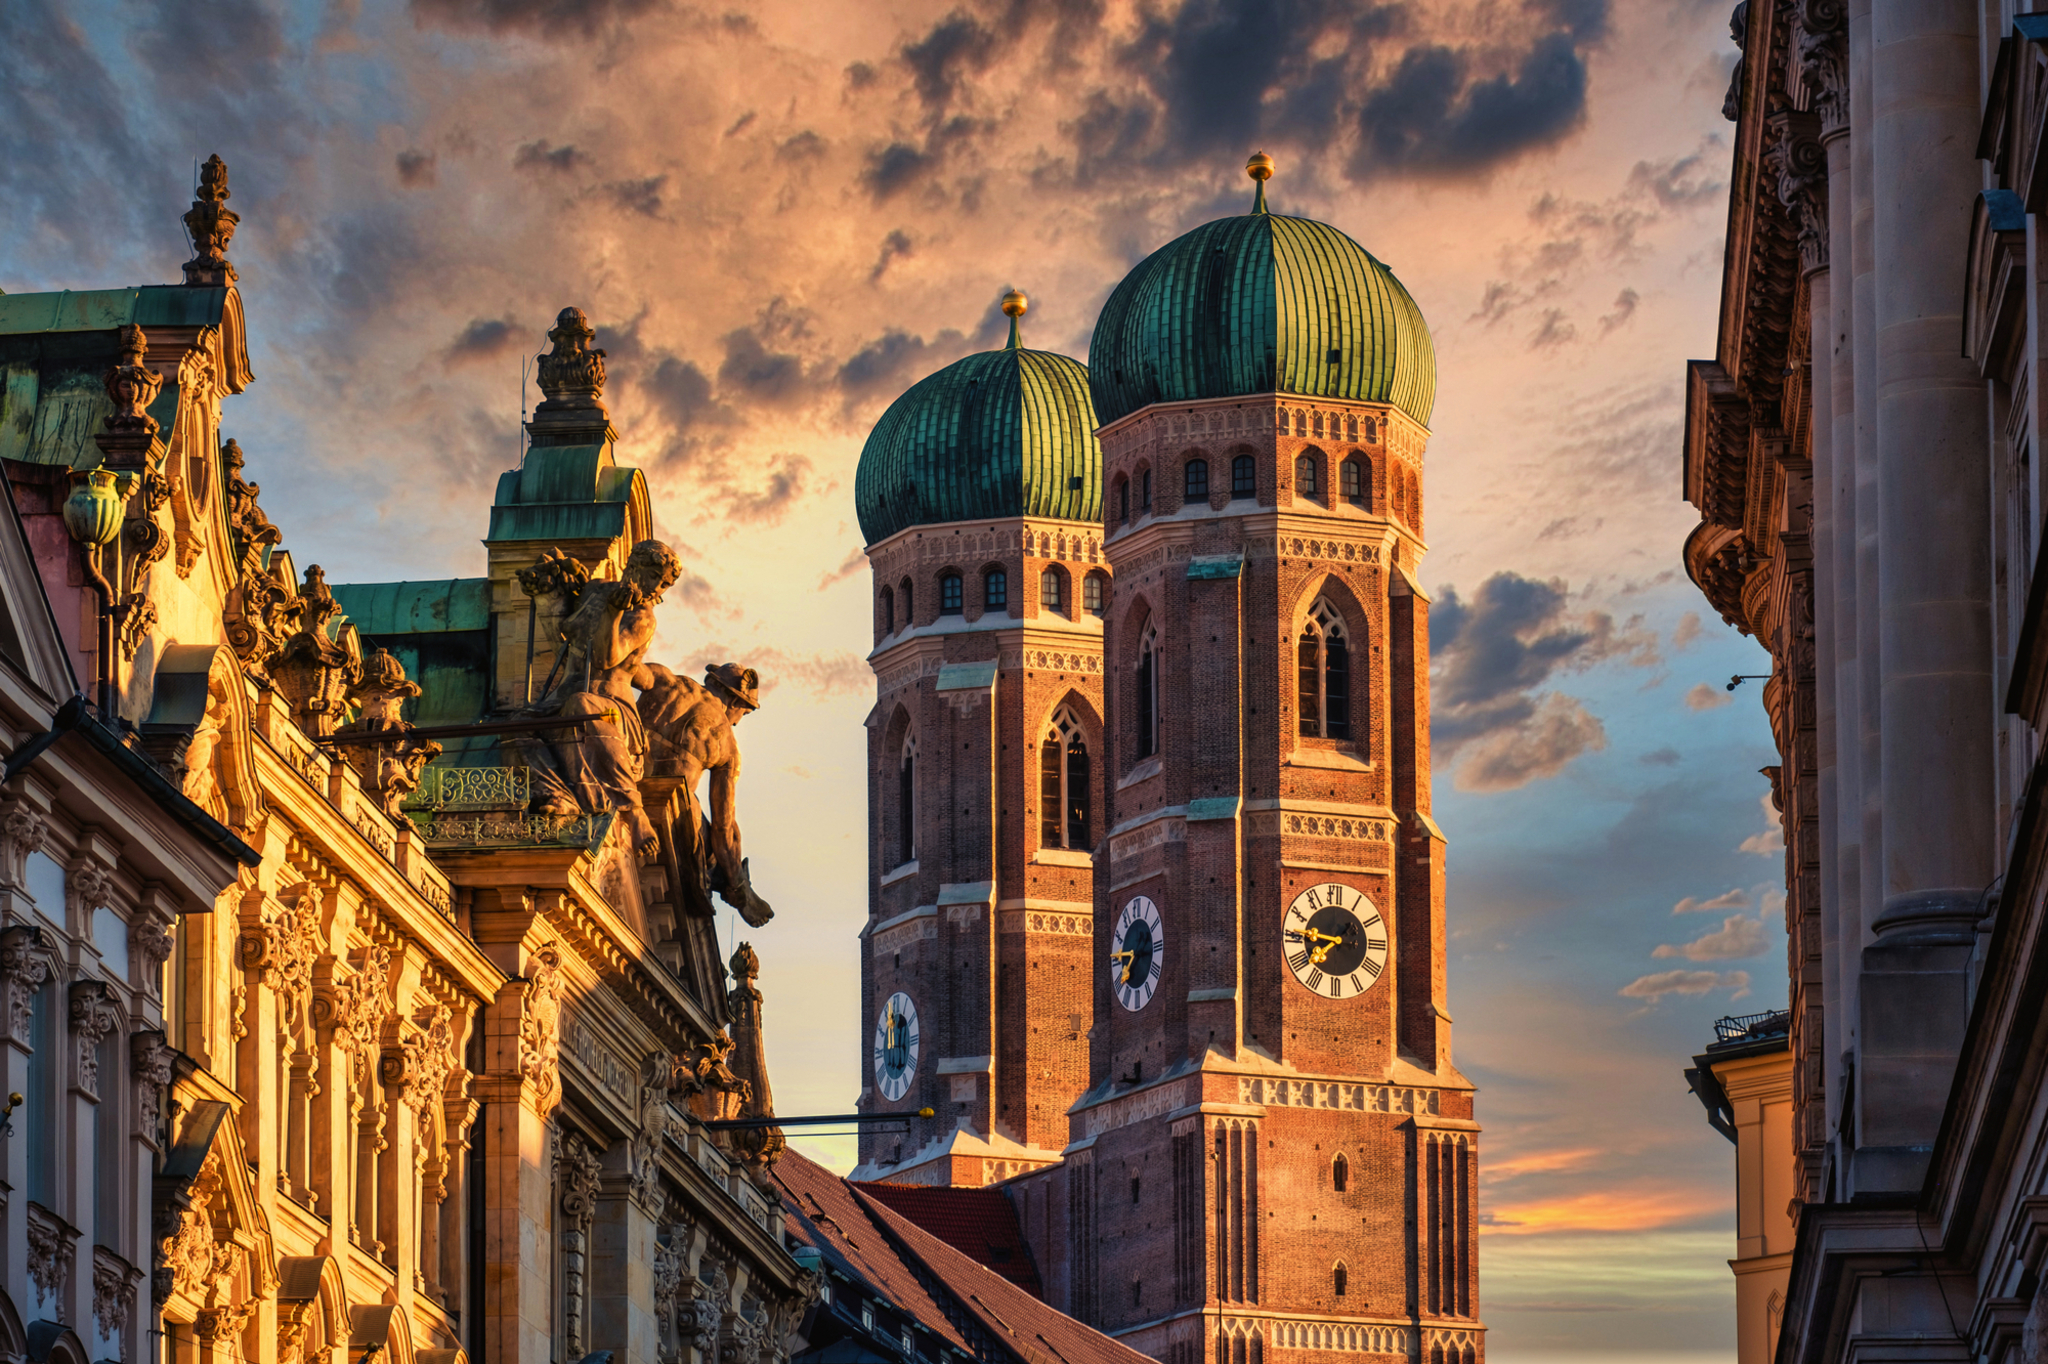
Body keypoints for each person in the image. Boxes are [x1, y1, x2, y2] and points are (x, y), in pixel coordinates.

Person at [527, 539, 681, 857]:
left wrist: (613, 613)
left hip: (612, 709)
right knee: (517, 725)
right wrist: (550, 590)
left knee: (583, 708)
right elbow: (564, 636)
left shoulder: (641, 618)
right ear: (634, 566)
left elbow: (604, 659)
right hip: (567, 696)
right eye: (655, 577)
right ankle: (558, 796)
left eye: (665, 584)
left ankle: (634, 811)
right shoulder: (596, 589)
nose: (658, 590)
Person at [639, 661, 774, 925]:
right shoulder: (728, 746)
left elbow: (625, 670)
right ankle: (737, 887)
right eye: (743, 715)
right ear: (735, 702)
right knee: (722, 841)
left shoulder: (667, 681)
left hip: (629, 775)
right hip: (673, 808)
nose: (736, 723)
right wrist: (734, 879)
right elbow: (723, 830)